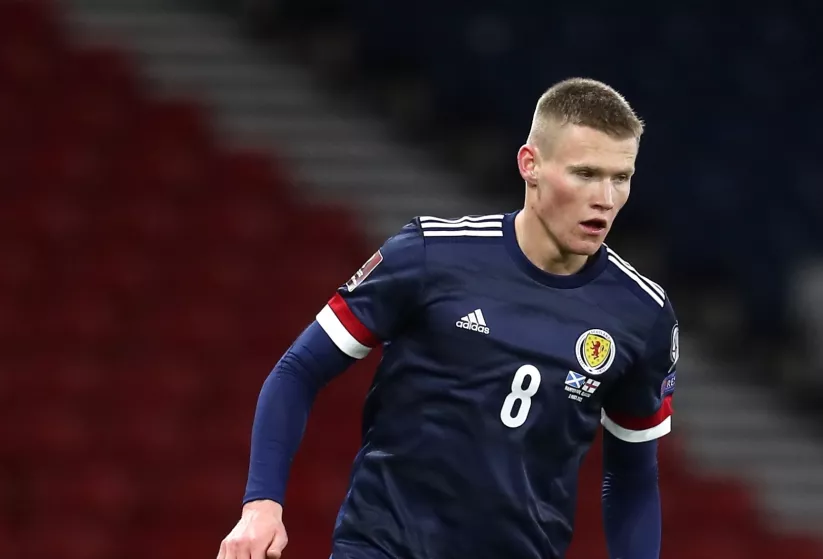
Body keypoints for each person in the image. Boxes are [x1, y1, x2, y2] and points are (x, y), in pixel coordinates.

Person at [217, 77, 679, 559]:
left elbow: (632, 476)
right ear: (531, 165)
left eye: (620, 177)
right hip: (383, 547)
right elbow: (298, 371)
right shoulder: (430, 255)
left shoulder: (641, 315)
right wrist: (261, 505)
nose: (605, 198)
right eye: (585, 174)